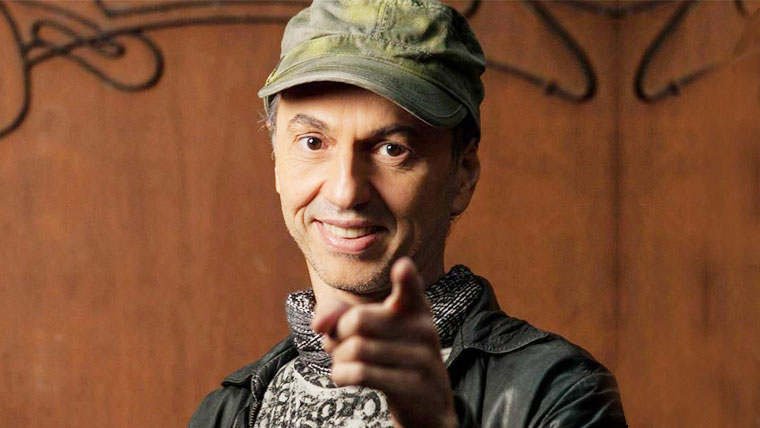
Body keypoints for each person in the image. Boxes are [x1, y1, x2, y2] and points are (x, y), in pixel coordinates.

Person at [188, 1, 627, 427]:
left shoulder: (559, 394)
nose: (345, 191)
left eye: (392, 149)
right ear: (276, 162)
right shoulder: (225, 413)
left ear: (462, 175)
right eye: (313, 143)